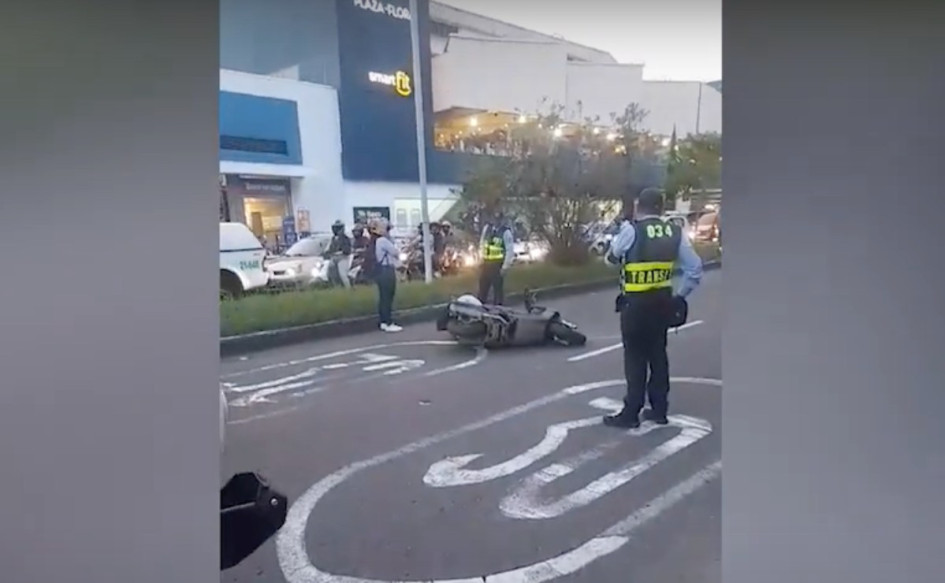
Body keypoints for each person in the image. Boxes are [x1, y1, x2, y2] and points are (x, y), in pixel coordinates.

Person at [602, 188, 704, 429]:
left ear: (640, 206)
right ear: (661, 207)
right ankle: (659, 409)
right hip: (662, 304)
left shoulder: (631, 230)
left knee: (635, 358)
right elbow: (695, 268)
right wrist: (679, 295)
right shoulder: (674, 232)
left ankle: (631, 413)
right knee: (658, 355)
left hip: (635, 305)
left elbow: (611, 258)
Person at [371, 218, 402, 332]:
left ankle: (383, 322)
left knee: (383, 297)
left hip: (381, 271)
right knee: (388, 297)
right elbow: (395, 252)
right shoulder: (383, 241)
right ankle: (388, 322)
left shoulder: (377, 241)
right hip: (386, 270)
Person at [478, 210, 515, 304]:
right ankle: (481, 308)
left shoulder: (505, 232)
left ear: (501, 220)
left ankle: (499, 310)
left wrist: (505, 267)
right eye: (494, 218)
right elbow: (482, 243)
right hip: (486, 263)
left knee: (497, 290)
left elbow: (509, 250)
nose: (495, 221)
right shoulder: (487, 229)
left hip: (497, 264)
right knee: (483, 288)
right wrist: (481, 258)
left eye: (498, 219)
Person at [325, 219, 353, 288]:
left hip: (343, 258)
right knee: (330, 273)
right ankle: (336, 287)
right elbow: (329, 249)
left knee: (343, 274)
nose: (337, 230)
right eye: (336, 228)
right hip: (334, 257)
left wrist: (340, 251)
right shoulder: (333, 239)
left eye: (338, 228)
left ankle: (348, 288)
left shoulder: (345, 239)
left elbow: (347, 250)